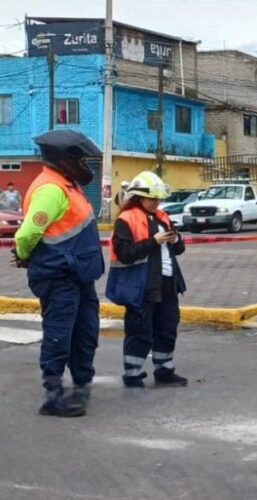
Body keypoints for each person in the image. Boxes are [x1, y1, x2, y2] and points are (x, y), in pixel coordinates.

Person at [10, 130, 104, 417]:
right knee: (59, 335)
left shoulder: (69, 186)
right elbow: (27, 233)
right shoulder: (51, 189)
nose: (84, 165)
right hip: (60, 275)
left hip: (79, 274)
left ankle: (81, 386)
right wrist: (25, 256)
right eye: (80, 159)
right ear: (64, 159)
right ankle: (53, 395)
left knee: (85, 333)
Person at [106, 171, 188, 388]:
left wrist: (176, 239)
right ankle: (133, 374)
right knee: (139, 330)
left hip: (167, 284)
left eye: (158, 198)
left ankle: (164, 370)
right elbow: (124, 252)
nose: (156, 202)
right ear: (138, 197)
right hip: (141, 286)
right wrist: (154, 241)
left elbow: (178, 249)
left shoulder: (163, 217)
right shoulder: (126, 219)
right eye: (152, 198)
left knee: (167, 327)